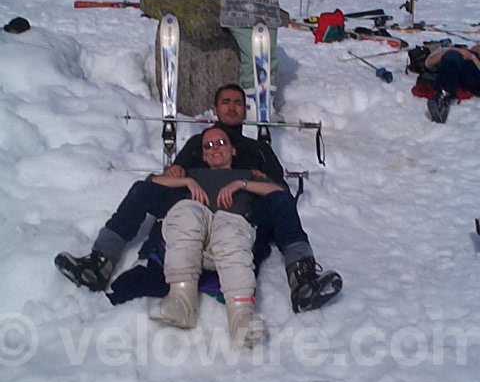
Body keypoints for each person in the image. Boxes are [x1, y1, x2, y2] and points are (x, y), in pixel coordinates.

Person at [55, 84, 342, 314]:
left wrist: (256, 181)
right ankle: (99, 263)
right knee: (143, 190)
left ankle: (302, 279)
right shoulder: (197, 143)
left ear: (245, 110)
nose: (231, 107)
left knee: (281, 203)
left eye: (238, 103)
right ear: (215, 109)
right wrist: (179, 173)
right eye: (225, 102)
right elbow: (174, 173)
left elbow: (279, 189)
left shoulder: (258, 150)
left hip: (242, 214)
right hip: (193, 207)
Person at [148, 125, 285, 349]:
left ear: (233, 150)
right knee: (187, 211)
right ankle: (181, 300)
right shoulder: (193, 173)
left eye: (221, 142)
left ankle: (241, 316)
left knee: (228, 227)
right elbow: (153, 181)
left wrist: (240, 184)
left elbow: (279, 192)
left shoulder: (248, 175)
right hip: (192, 241)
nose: (214, 148)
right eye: (208, 146)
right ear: (203, 155)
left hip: (230, 237)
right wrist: (187, 182)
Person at [426, 44, 480, 123]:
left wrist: (474, 58)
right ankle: (442, 97)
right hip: (454, 71)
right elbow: (429, 63)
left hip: (474, 75)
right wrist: (454, 51)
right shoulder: (448, 50)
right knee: (453, 56)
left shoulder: (474, 56)